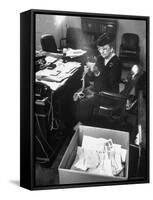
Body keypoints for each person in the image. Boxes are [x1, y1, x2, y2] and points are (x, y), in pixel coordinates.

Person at [73, 32, 122, 123]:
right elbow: (93, 79)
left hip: (108, 95)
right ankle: (87, 118)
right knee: (79, 94)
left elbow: (110, 83)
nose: (102, 52)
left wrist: (97, 72)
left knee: (83, 102)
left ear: (112, 48)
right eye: (99, 49)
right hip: (98, 89)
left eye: (105, 49)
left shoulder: (116, 63)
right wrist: (88, 73)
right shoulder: (100, 58)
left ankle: (83, 123)